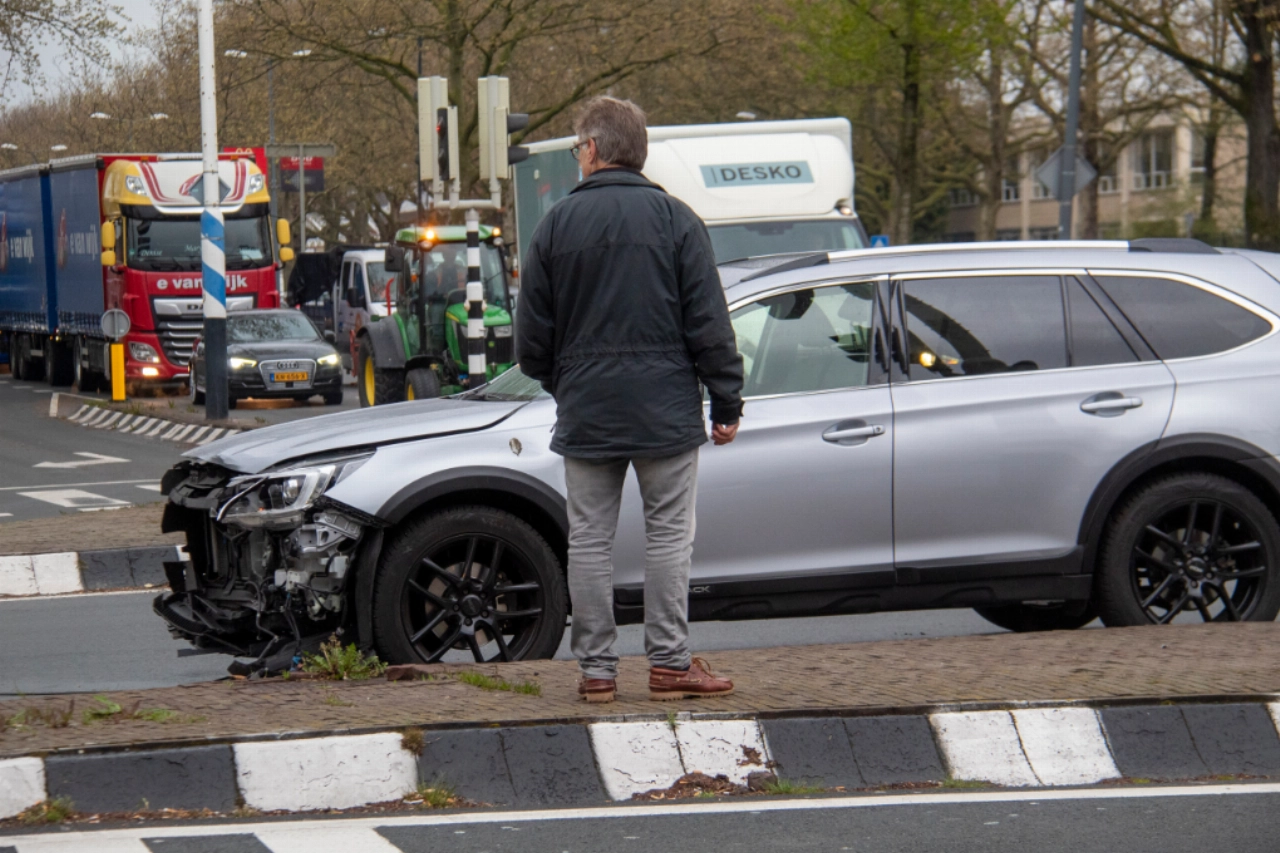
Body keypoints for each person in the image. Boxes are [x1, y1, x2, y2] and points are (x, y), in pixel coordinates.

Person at [516, 96, 744, 703]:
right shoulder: (677, 220)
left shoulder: (556, 226)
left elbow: (530, 340)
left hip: (587, 410)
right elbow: (709, 323)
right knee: (669, 536)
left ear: (592, 149)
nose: (577, 156)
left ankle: (597, 671)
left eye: (577, 147)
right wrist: (726, 402)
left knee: (589, 539)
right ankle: (669, 663)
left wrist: (567, 383)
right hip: (666, 410)